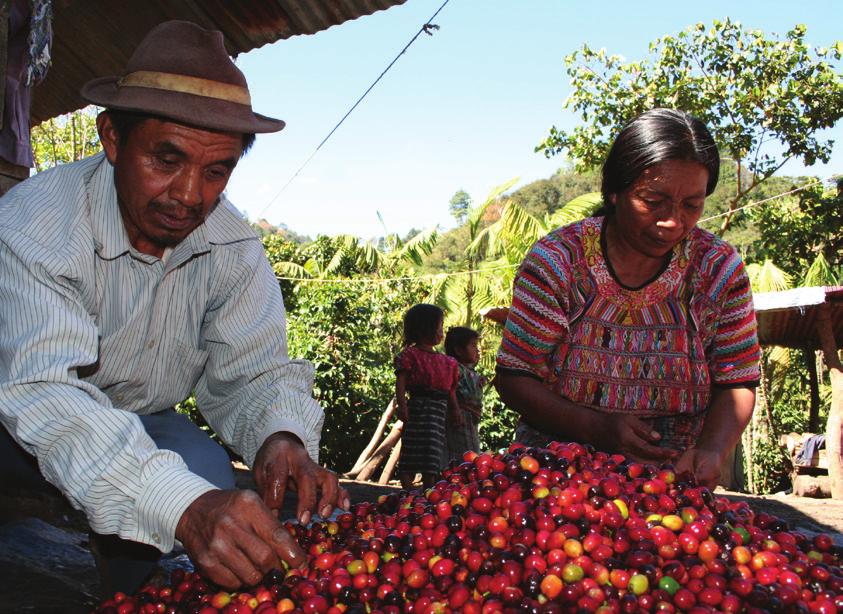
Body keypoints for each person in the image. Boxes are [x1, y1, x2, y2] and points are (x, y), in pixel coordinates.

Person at [0, 20, 349, 595]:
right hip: (17, 412)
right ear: (112, 139)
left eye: (217, 171)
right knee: (181, 495)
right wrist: (183, 508)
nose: (190, 195)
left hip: (142, 416)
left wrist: (280, 435)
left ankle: (131, 595)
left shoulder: (232, 246)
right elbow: (46, 398)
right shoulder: (34, 228)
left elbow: (253, 372)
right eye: (167, 161)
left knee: (205, 479)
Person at [495, 108, 761, 489]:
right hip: (553, 472)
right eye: (653, 201)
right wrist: (596, 428)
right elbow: (514, 376)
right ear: (614, 191)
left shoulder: (719, 270)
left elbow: (737, 380)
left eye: (692, 205)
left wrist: (713, 450)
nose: (673, 221)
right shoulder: (558, 262)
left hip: (672, 478)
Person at [395, 304, 461, 491]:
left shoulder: (447, 362)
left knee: (433, 451)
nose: (442, 331)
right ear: (425, 328)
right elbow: (401, 382)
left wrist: (455, 409)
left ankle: (428, 491)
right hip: (417, 408)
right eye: (439, 326)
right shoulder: (410, 355)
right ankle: (408, 491)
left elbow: (450, 389)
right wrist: (402, 406)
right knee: (411, 448)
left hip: (438, 412)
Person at [444, 326, 486, 462]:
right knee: (466, 455)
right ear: (458, 350)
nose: (477, 349)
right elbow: (450, 388)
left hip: (470, 418)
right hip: (460, 416)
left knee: (470, 451)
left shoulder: (468, 370)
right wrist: (455, 409)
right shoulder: (454, 367)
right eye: (473, 345)